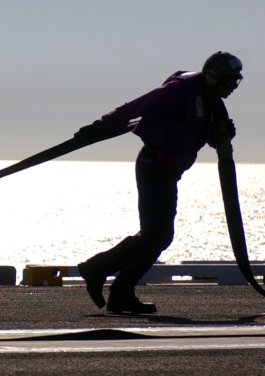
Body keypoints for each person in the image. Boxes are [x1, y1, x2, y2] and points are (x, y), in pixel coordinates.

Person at [75, 51, 243, 314]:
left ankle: (119, 293)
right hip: (153, 165)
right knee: (157, 235)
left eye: (236, 82)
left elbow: (199, 134)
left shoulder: (213, 102)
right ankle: (97, 269)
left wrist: (221, 134)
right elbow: (136, 107)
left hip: (168, 172)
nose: (233, 87)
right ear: (214, 76)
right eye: (230, 81)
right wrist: (98, 128)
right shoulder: (181, 91)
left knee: (158, 237)